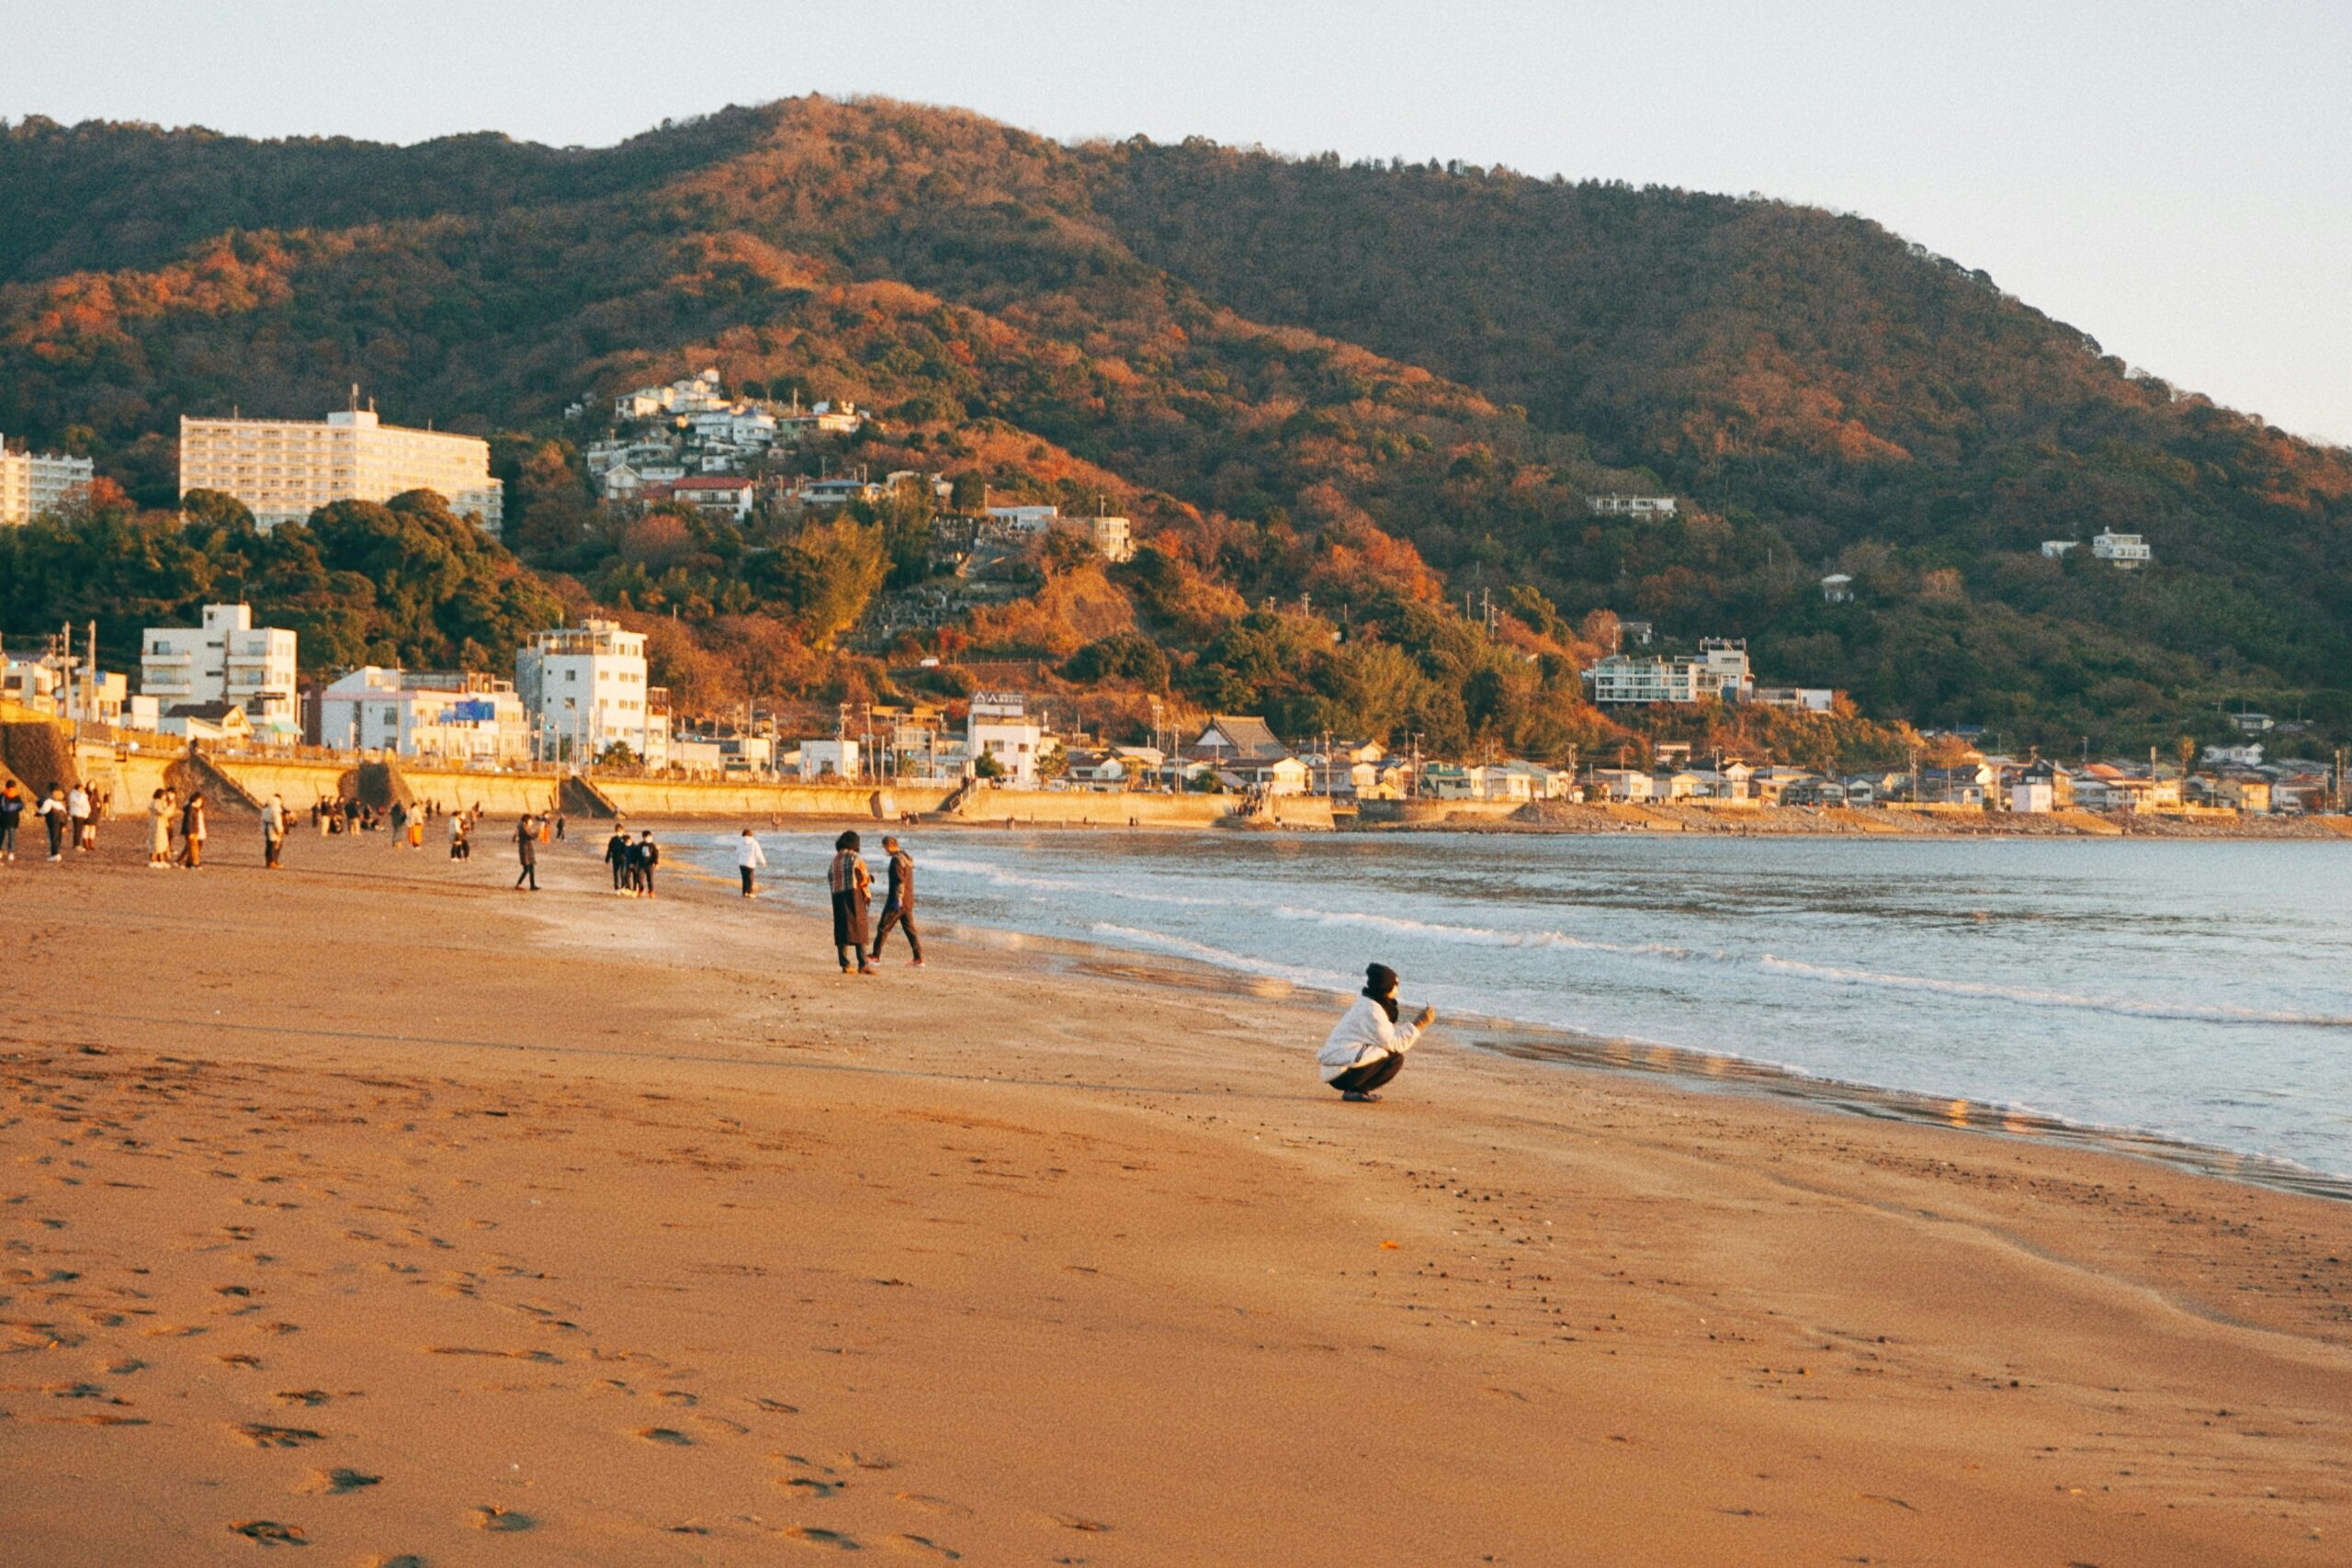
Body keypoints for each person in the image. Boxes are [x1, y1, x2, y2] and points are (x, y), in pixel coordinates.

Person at [1317, 964, 1435, 1103]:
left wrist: (1416, 1025)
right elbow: (1395, 1044)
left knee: (1389, 1053)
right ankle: (1356, 1090)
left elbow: (1387, 1037)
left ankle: (1356, 1090)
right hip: (1339, 1071)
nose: (1397, 992)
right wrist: (1419, 1024)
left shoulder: (1369, 1004)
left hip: (1338, 1064)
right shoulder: (1373, 1011)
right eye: (1395, 987)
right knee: (1395, 1058)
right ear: (1385, 987)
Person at [870, 835, 923, 967]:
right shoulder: (906, 858)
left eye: (885, 847)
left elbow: (900, 881)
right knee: (910, 930)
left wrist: (897, 899)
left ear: (890, 845)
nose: (885, 850)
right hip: (908, 900)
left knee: (883, 927)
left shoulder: (896, 860)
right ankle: (918, 958)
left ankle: (875, 956)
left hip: (897, 900)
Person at [828, 830, 876, 975]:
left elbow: (830, 877)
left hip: (838, 896)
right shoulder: (855, 858)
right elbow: (863, 879)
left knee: (842, 929)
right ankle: (863, 964)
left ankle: (845, 964)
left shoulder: (835, 860)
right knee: (859, 929)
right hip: (854, 895)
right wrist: (870, 880)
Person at [38, 784, 68, 862]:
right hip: (61, 821)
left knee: (53, 837)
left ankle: (55, 854)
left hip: (53, 820)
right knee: (58, 837)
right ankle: (57, 851)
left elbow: (44, 810)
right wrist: (65, 824)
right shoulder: (60, 804)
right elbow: (65, 813)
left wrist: (38, 813)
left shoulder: (49, 801)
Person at [178, 792, 207, 869]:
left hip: (194, 831)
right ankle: (194, 863)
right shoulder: (191, 808)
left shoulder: (194, 809)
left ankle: (189, 863)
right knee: (193, 848)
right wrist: (190, 831)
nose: (200, 803)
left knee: (193, 847)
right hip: (191, 831)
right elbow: (189, 821)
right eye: (199, 801)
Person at [736, 828, 767, 897]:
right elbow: (758, 853)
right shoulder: (754, 842)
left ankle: (744, 892)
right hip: (750, 863)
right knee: (750, 878)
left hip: (742, 863)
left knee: (744, 878)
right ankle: (749, 893)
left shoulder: (740, 842)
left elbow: (737, 852)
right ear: (751, 835)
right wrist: (763, 862)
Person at [146, 788, 171, 867]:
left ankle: (161, 859)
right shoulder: (157, 802)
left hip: (160, 824)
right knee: (156, 841)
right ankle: (154, 860)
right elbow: (161, 812)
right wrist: (168, 809)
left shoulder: (160, 802)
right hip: (157, 824)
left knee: (161, 842)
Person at [514, 813, 539, 890]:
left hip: (528, 850)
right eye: (530, 820)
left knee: (531, 868)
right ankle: (518, 884)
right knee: (526, 869)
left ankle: (532, 885)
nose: (531, 821)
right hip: (525, 850)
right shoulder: (523, 827)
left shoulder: (524, 826)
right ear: (527, 820)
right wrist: (538, 832)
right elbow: (530, 836)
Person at [261, 794, 287, 869]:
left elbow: (262, 821)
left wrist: (263, 829)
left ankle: (268, 862)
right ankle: (272, 862)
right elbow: (277, 822)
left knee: (268, 845)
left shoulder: (266, 810)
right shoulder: (276, 810)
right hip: (273, 829)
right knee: (273, 846)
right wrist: (280, 830)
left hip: (266, 828)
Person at [632, 830, 661, 898]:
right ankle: (641, 889)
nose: (648, 838)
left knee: (650, 879)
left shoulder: (653, 845)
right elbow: (636, 854)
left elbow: (655, 855)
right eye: (646, 837)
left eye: (649, 837)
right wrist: (634, 862)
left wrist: (656, 863)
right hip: (641, 865)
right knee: (639, 879)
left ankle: (651, 891)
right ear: (643, 837)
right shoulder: (640, 845)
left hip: (649, 865)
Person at [0, 779, 23, 862]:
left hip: (3, 818)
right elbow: (21, 807)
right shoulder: (17, 795)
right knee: (11, 836)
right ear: (15, 786)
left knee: (1, 835)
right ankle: (11, 853)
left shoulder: (3, 794)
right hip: (14, 819)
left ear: (6, 786)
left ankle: (0, 851)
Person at [605, 824, 632, 894]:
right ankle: (617, 888)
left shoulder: (626, 838)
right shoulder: (613, 839)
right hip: (615, 859)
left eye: (620, 831)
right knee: (616, 874)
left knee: (623, 873)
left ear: (623, 831)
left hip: (624, 859)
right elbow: (609, 849)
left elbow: (630, 847)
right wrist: (607, 858)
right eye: (617, 831)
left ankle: (623, 886)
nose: (618, 832)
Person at [67, 784, 92, 852]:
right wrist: (82, 795)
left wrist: (88, 811)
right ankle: (76, 845)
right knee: (77, 830)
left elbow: (86, 804)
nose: (82, 790)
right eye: (81, 789)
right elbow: (79, 803)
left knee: (80, 830)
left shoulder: (83, 795)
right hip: (77, 814)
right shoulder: (74, 795)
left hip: (83, 814)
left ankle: (78, 844)